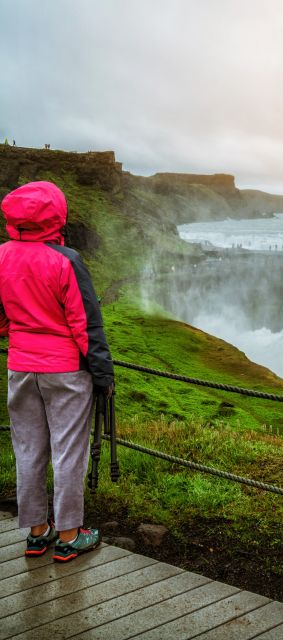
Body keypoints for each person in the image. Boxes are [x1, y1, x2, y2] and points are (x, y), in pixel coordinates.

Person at [0, 181, 114, 562]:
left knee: (28, 449)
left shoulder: (2, 256)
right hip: (65, 371)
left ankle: (37, 532)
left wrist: (23, 325)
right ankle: (69, 535)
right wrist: (103, 375)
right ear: (56, 215)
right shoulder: (66, 259)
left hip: (20, 366)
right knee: (68, 451)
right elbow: (86, 323)